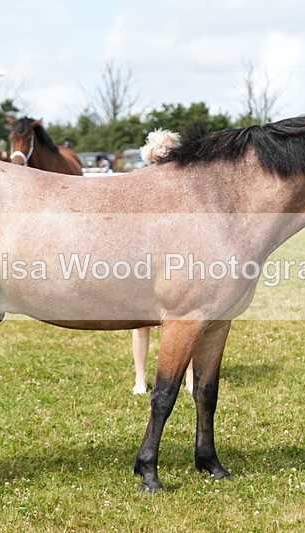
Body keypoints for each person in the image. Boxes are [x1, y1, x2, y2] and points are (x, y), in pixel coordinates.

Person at [131, 129, 194, 395]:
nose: (165, 150)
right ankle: (140, 379)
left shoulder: (186, 181)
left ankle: (190, 378)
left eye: (170, 146)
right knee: (140, 323)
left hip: (177, 258)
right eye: (160, 146)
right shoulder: (139, 180)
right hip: (146, 258)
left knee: (187, 320)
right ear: (150, 152)